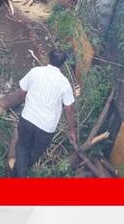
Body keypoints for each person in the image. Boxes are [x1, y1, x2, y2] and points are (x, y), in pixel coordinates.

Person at [12, 49, 77, 177]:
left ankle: (19, 173)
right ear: (63, 64)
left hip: (27, 120)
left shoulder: (35, 72)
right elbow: (69, 110)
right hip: (46, 129)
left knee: (22, 146)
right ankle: (20, 173)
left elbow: (21, 93)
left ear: (49, 59)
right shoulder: (65, 83)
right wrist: (72, 131)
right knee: (35, 152)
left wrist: (22, 103)